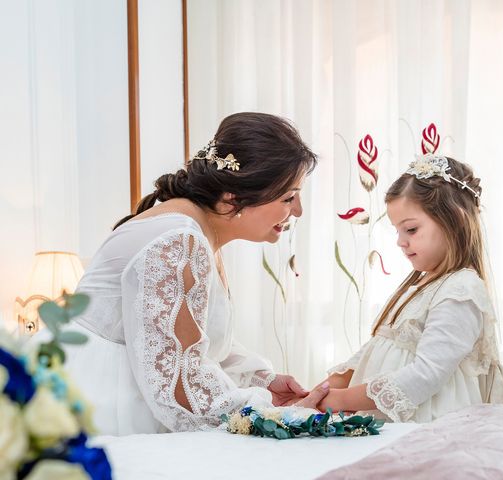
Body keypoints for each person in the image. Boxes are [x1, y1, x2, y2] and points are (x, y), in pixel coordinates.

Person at [50, 112, 329, 435]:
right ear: (233, 198)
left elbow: (190, 341)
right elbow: (178, 387)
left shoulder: (195, 230)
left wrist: (262, 379)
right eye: (288, 197)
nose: (297, 211)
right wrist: (270, 412)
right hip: (99, 400)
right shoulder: (178, 240)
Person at [317, 154, 503, 423]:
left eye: (410, 229)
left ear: (454, 220)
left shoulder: (461, 290)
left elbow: (428, 372)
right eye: (397, 231)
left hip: (428, 422)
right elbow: (378, 347)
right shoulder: (425, 285)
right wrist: (326, 388)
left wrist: (342, 400)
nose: (401, 241)